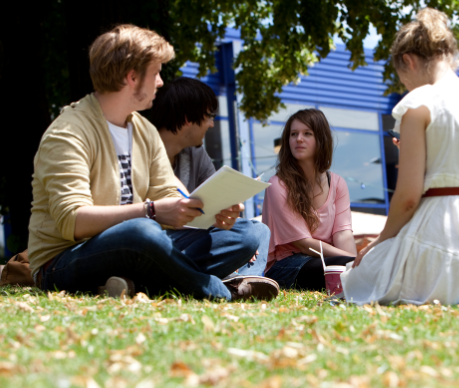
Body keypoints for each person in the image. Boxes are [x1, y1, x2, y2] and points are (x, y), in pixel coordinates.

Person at [27, 24, 278, 301]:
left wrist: (210, 211)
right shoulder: (68, 132)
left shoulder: (144, 130)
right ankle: (220, 290)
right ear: (132, 77)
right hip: (64, 260)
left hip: (140, 246)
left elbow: (168, 194)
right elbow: (72, 221)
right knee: (143, 230)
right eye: (156, 73)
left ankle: (135, 283)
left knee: (249, 232)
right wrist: (152, 211)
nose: (160, 82)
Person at [341, 8, 459, 306]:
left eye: (404, 79)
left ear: (408, 61)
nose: (407, 88)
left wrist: (378, 242)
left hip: (442, 242)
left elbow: (409, 198)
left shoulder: (420, 104)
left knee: (358, 276)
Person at [151, 76, 266, 276]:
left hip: (196, 238)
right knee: (245, 236)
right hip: (160, 241)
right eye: (209, 116)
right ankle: (229, 277)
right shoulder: (143, 149)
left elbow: (214, 210)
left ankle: (244, 279)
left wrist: (227, 215)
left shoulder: (195, 153)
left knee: (258, 231)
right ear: (188, 118)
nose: (211, 124)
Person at [262, 109, 357, 290]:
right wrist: (351, 261)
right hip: (286, 265)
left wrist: (354, 264)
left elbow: (343, 233)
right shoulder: (277, 184)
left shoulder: (337, 183)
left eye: (307, 134)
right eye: (293, 134)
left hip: (328, 260)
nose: (298, 139)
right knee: (339, 267)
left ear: (321, 139)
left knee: (351, 267)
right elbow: (303, 243)